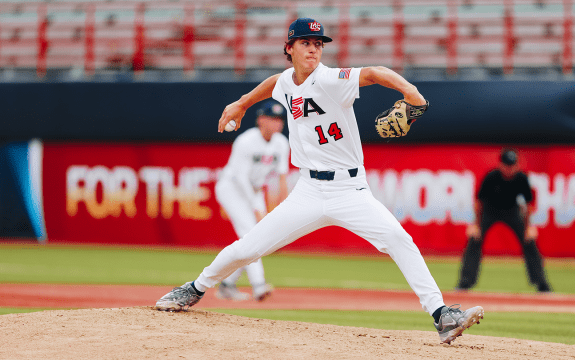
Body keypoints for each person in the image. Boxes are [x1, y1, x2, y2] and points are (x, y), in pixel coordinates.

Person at [155, 17, 483, 344]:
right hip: (308, 191)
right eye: (305, 43)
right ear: (289, 49)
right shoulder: (286, 82)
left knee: (399, 240)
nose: (313, 49)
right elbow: (275, 83)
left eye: (318, 44)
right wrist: (241, 104)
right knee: (248, 248)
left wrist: (412, 93)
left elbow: (374, 72)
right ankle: (194, 288)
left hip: (350, 190)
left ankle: (441, 316)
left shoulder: (331, 80)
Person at [214, 100, 289, 301]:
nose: (277, 123)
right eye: (272, 118)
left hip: (254, 190)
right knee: (250, 234)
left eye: (280, 119)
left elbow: (282, 178)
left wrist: (284, 208)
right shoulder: (246, 141)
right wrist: (257, 208)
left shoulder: (281, 143)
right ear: (261, 120)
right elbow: (241, 178)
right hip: (232, 188)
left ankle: (227, 284)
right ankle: (258, 285)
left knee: (257, 240)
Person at [457, 148, 552, 293]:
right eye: (507, 165)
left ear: (517, 165)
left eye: (512, 165)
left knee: (529, 241)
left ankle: (541, 284)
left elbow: (527, 206)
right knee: (474, 240)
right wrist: (476, 225)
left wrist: (528, 228)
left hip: (511, 211)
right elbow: (479, 203)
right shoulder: (492, 177)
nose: (510, 169)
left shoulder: (521, 178)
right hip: (489, 211)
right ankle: (465, 282)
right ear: (500, 165)